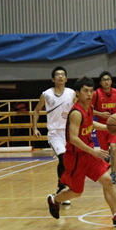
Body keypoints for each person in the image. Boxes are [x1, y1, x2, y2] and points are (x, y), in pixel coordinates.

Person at [46, 76, 116, 227]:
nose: (89, 94)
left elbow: (89, 123)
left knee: (107, 180)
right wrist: (93, 152)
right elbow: (73, 138)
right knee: (76, 192)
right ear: (77, 93)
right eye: (85, 91)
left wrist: (108, 127)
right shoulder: (76, 113)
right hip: (75, 158)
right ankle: (54, 200)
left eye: (91, 91)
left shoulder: (89, 108)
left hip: (88, 154)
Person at [33, 66, 76, 203]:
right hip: (54, 133)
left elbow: (80, 109)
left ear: (66, 78)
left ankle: (61, 186)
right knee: (63, 158)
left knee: (69, 162)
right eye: (57, 74)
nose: (60, 76)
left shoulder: (71, 93)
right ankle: (61, 187)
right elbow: (36, 110)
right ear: (53, 79)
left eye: (62, 74)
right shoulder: (46, 94)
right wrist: (35, 128)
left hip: (69, 132)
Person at [91, 71, 116, 184]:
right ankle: (106, 166)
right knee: (105, 152)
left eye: (108, 79)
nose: (106, 82)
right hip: (102, 125)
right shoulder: (96, 94)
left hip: (115, 125)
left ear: (111, 81)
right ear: (100, 82)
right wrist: (100, 114)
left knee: (113, 147)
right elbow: (89, 109)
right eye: (104, 80)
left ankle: (113, 174)